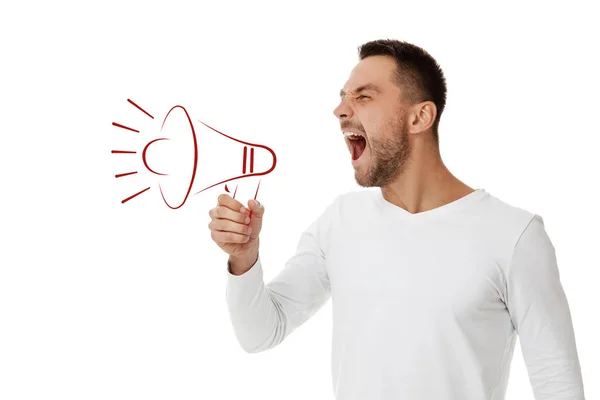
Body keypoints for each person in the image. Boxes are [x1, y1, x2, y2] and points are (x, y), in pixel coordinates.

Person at [207, 39, 586, 399]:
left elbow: (558, 386)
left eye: (364, 96)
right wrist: (244, 256)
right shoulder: (340, 221)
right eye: (342, 98)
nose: (341, 110)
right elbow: (259, 333)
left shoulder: (513, 235)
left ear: (420, 116)